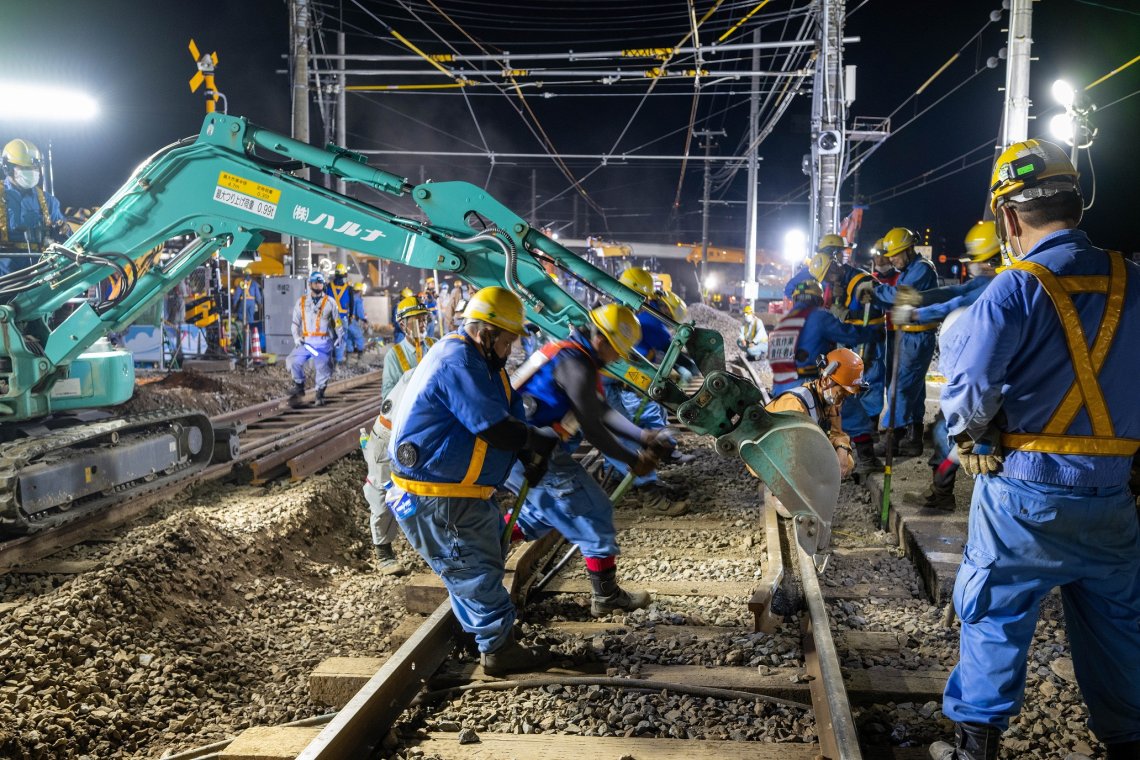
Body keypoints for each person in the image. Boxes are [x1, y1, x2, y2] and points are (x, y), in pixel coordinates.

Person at [929, 139, 1140, 760]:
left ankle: (976, 747)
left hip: (1023, 498)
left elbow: (969, 391)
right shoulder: (1135, 281)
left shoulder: (1013, 289)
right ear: (1077, 203)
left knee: (994, 617)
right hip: (1111, 501)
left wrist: (969, 439)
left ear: (1009, 217)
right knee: (1121, 633)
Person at [387, 286, 559, 676]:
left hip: (457, 492)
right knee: (474, 569)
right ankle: (498, 649)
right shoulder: (458, 360)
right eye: (507, 341)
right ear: (485, 334)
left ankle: (482, 631)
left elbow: (507, 413)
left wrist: (526, 453)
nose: (510, 350)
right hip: (438, 497)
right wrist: (533, 441)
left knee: (480, 558)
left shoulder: (482, 361)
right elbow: (493, 427)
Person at [508, 303, 672, 615]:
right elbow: (594, 429)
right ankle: (606, 595)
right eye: (616, 351)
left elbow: (599, 409)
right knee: (595, 510)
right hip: (532, 452)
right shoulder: (576, 365)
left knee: (545, 514)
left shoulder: (574, 357)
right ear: (601, 340)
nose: (617, 359)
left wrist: (642, 436)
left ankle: (483, 543)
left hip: (524, 449)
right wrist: (633, 460)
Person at [897, 221, 1002, 511]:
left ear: (992, 260)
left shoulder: (998, 284)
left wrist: (916, 313)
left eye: (977, 261)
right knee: (948, 429)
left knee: (951, 432)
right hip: (985, 373)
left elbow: (956, 302)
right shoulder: (992, 279)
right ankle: (942, 491)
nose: (973, 266)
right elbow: (955, 291)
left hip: (988, 377)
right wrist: (920, 298)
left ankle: (945, 495)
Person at [602, 267, 689, 515]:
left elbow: (628, 357)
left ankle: (623, 479)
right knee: (622, 436)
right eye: (642, 297)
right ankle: (649, 493)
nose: (645, 303)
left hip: (609, 385)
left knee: (626, 431)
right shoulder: (616, 316)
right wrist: (641, 379)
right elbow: (618, 360)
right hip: (600, 386)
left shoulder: (624, 314)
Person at [809, 235, 887, 478]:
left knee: (867, 387)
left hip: (868, 342)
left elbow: (866, 320)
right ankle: (861, 444)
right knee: (850, 395)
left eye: (829, 276)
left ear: (835, 264)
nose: (828, 282)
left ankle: (869, 436)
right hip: (852, 342)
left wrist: (843, 317)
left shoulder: (862, 283)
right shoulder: (840, 284)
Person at [862, 227, 939, 458]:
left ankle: (892, 438)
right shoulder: (909, 269)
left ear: (908, 250)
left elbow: (899, 295)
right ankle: (913, 438)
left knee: (901, 387)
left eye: (895, 255)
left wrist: (874, 291)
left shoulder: (921, 269)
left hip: (918, 337)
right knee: (914, 386)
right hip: (909, 335)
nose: (891, 259)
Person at [764, 348, 866, 480]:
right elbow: (790, 449)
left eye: (847, 394)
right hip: (773, 458)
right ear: (826, 380)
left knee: (847, 461)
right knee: (824, 467)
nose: (843, 397)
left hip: (799, 452)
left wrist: (842, 448)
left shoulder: (829, 401)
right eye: (842, 391)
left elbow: (836, 433)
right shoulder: (796, 404)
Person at [768, 280, 880, 397]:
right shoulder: (818, 317)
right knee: (849, 404)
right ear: (818, 299)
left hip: (778, 389)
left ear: (795, 299)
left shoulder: (783, 322)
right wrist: (875, 331)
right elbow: (851, 334)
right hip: (805, 389)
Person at [1, 138, 68, 276]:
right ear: (8, 168)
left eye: (35, 168)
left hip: (43, 276)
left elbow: (67, 235)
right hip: (6, 280)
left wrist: (62, 232)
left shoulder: (48, 201)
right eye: (26, 168)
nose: (32, 171)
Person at [287, 271, 340, 406]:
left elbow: (337, 322)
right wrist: (296, 338)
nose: (318, 285)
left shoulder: (330, 302)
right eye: (315, 282)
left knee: (323, 368)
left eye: (320, 282)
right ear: (310, 284)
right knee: (293, 361)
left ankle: (319, 394)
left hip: (323, 343)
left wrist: (339, 336)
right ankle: (299, 386)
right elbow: (295, 323)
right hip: (306, 342)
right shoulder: (301, 302)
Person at [383, 296, 434, 398]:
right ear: (403, 325)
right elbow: (388, 396)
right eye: (417, 321)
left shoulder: (435, 345)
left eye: (424, 319)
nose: (423, 325)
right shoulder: (393, 356)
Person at [326, 263, 354, 365]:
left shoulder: (328, 286)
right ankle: (337, 363)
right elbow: (352, 304)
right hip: (341, 318)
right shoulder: (348, 288)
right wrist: (351, 316)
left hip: (330, 318)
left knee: (331, 338)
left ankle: (330, 360)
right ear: (345, 275)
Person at [231, 275, 265, 353]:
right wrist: (259, 303)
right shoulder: (254, 283)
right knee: (250, 318)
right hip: (251, 303)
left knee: (241, 315)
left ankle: (243, 329)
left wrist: (235, 303)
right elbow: (257, 294)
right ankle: (249, 330)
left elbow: (237, 294)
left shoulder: (241, 283)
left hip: (244, 302)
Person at [344, 282, 368, 360]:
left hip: (346, 320)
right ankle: (360, 359)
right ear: (360, 291)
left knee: (349, 338)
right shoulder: (358, 299)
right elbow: (359, 312)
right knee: (359, 337)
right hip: (353, 321)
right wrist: (364, 320)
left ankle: (348, 361)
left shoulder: (348, 297)